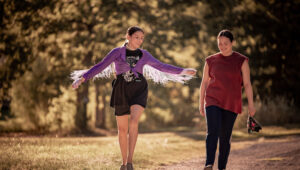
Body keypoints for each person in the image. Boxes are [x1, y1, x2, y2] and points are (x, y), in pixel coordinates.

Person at [71, 26, 196, 170]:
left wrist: (183, 71)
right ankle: (124, 163)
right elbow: (100, 66)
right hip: (121, 90)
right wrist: (82, 79)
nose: (140, 40)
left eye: (142, 38)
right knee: (122, 130)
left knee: (134, 121)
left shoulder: (145, 54)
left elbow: (161, 66)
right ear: (128, 36)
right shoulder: (117, 52)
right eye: (137, 37)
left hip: (139, 89)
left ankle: (130, 162)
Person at [199, 30, 256, 170]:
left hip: (231, 103)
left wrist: (251, 105)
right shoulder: (210, 60)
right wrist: (201, 103)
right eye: (220, 44)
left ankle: (222, 167)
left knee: (225, 138)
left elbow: (247, 84)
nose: (222, 46)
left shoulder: (241, 60)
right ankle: (209, 163)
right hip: (212, 100)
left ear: (232, 43)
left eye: (225, 43)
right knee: (212, 131)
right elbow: (204, 83)